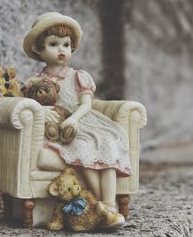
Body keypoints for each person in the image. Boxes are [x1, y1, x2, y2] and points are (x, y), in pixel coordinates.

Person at [23, 12, 130, 228]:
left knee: (106, 142)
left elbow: (86, 104)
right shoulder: (35, 83)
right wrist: (41, 112)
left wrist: (74, 120)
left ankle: (108, 204)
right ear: (38, 49)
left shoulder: (78, 76)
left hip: (83, 122)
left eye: (66, 44)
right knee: (82, 146)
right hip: (59, 131)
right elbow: (26, 105)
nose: (61, 49)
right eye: (54, 44)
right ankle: (103, 206)